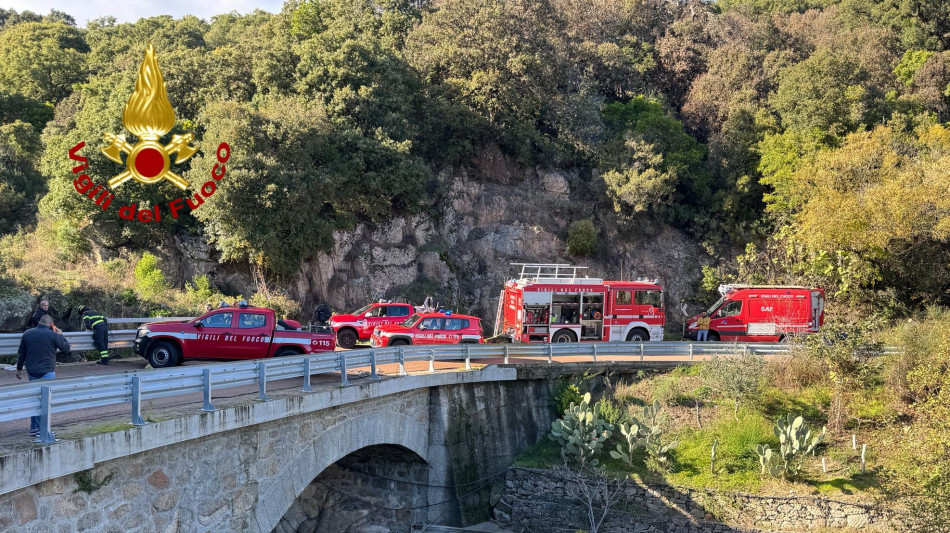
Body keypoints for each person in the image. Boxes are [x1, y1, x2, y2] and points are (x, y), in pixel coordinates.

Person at [16, 314, 70, 437]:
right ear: (51, 324)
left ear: (39, 322)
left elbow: (21, 353)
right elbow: (66, 349)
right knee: (45, 401)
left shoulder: (27, 334)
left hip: (32, 371)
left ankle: (34, 428)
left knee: (35, 399)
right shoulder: (53, 335)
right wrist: (61, 335)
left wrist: (19, 369)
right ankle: (43, 430)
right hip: (47, 371)